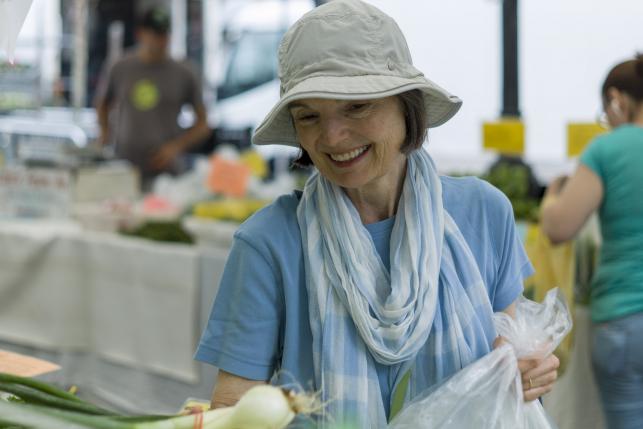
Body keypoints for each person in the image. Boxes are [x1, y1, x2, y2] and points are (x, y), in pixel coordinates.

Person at [195, 1, 559, 427]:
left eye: (356, 106)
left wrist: (529, 369)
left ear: (407, 107)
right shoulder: (268, 242)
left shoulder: (483, 213)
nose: (332, 136)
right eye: (309, 116)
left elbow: (508, 352)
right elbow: (232, 408)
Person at [541, 54, 643, 429]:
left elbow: (560, 228)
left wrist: (552, 197)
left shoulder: (607, 149)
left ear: (616, 99)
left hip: (624, 319)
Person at [94, 7, 210, 188]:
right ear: (141, 34)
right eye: (155, 34)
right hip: (124, 167)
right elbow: (102, 104)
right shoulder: (120, 67)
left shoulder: (185, 72)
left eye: (164, 34)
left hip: (167, 173)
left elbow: (203, 124)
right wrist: (104, 133)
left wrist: (176, 147)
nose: (160, 40)